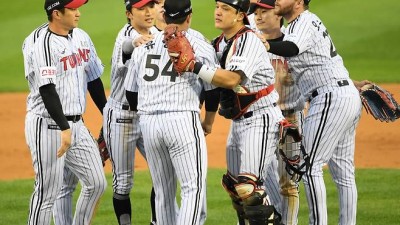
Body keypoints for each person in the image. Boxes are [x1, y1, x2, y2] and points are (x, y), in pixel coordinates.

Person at [167, 0, 284, 224]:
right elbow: (209, 87)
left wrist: (194, 66)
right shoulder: (220, 43)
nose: (218, 12)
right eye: (217, 6)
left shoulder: (248, 40)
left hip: (261, 118)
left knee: (249, 188)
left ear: (240, 15)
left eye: (226, 9)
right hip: (240, 122)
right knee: (235, 187)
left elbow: (232, 80)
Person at [263, 0, 363, 224]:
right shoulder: (302, 24)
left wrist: (266, 44)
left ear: (299, 2)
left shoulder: (304, 21)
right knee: (343, 173)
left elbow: (292, 49)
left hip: (330, 99)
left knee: (309, 168)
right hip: (343, 94)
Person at [124, 0, 220, 224]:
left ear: (164, 16)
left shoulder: (144, 45)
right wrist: (208, 122)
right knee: (192, 189)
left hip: (149, 125)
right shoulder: (200, 43)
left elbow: (131, 94)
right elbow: (213, 91)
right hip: (181, 121)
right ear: (189, 16)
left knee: (163, 191)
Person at [23, 0, 107, 224]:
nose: (78, 13)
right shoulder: (43, 45)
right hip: (49, 125)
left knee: (96, 183)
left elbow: (94, 78)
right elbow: (47, 89)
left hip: (77, 124)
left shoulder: (81, 37)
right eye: (73, 9)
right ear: (57, 13)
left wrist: (106, 114)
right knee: (46, 193)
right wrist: (64, 128)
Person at [249, 0, 306, 224]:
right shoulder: (251, 42)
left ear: (278, 14)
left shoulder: (294, 44)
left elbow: (320, 73)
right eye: (256, 13)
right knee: (251, 181)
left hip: (291, 120)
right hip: (261, 119)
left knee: (289, 185)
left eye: (264, 11)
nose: (259, 16)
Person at [103, 0, 159, 224]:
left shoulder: (157, 32)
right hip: (121, 117)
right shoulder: (124, 35)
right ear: (129, 13)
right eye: (141, 8)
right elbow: (126, 47)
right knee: (123, 183)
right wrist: (134, 43)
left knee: (162, 174)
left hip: (146, 115)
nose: (148, 12)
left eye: (151, 6)